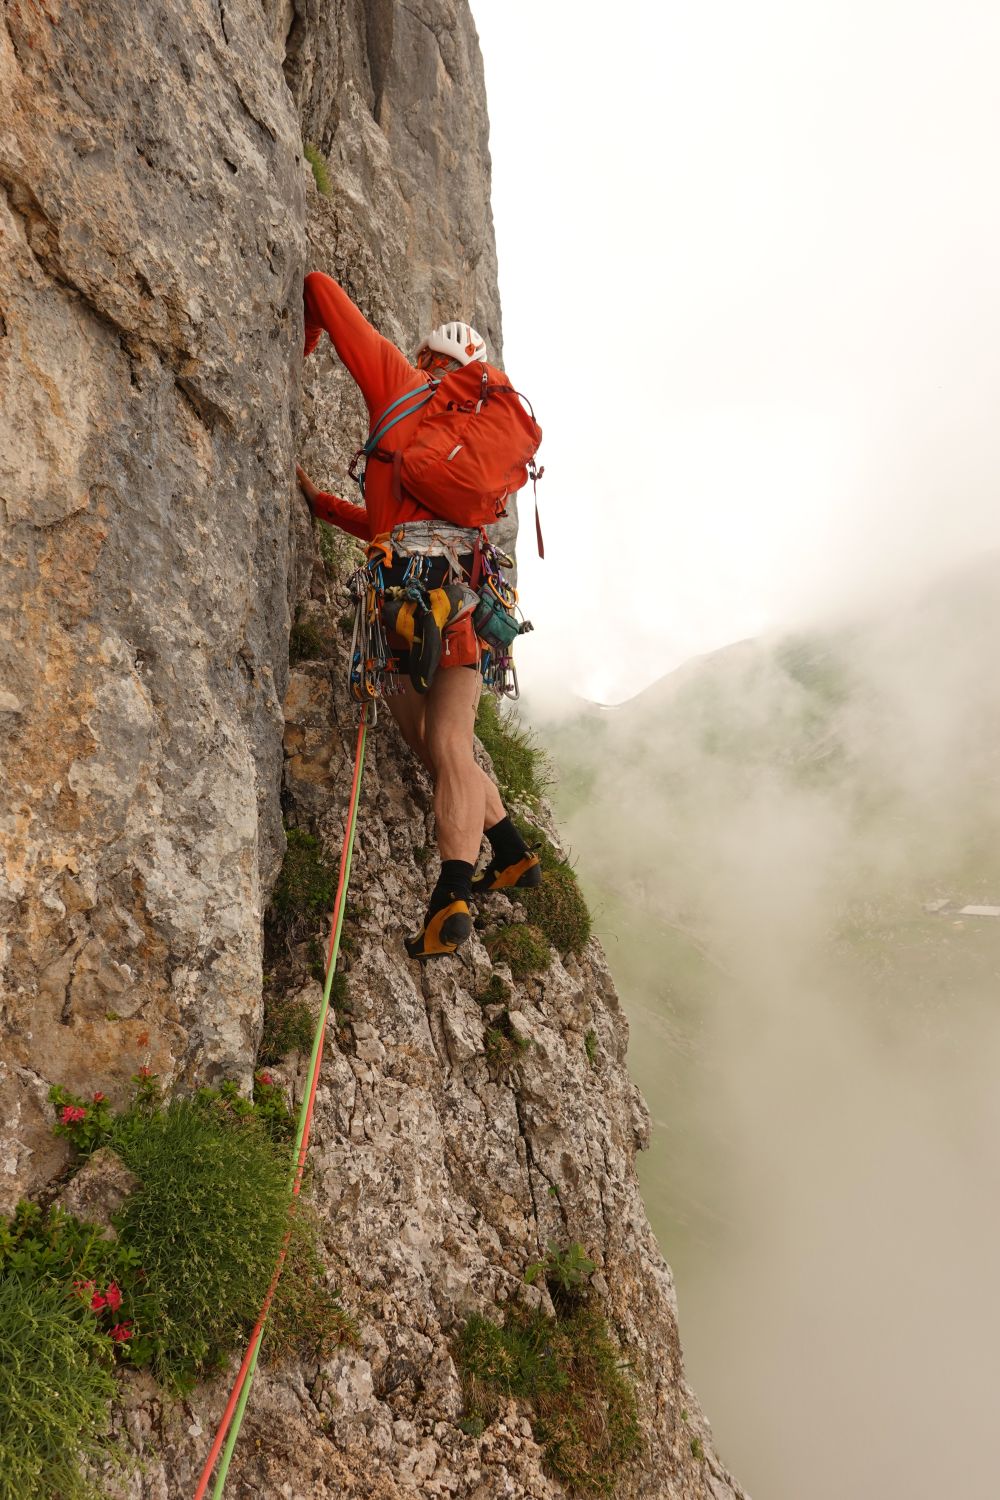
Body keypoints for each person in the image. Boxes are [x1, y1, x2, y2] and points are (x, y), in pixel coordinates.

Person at [296, 270, 541, 960]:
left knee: (432, 741)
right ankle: (510, 850)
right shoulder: (479, 436)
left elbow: (318, 286)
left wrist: (307, 342)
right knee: (448, 740)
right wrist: (328, 508)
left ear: (430, 357)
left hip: (404, 600)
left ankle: (451, 894)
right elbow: (417, 522)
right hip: (468, 599)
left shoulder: (402, 387)